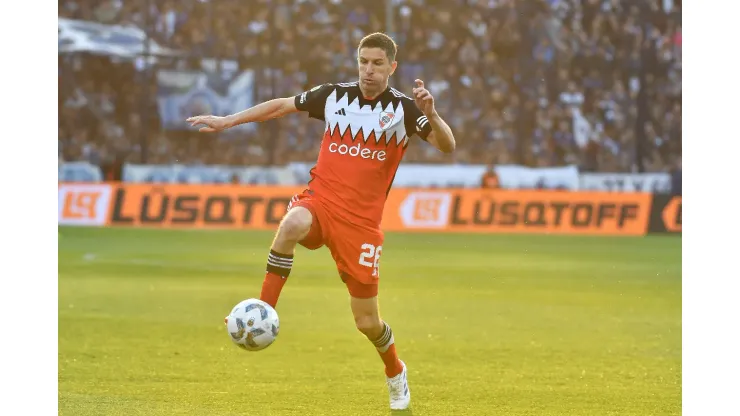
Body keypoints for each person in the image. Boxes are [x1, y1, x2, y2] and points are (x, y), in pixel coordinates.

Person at [186, 32, 456, 410]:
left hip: (361, 226)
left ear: (392, 67)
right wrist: (228, 121)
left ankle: (395, 371)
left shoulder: (406, 109)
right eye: (364, 61)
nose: (369, 70)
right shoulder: (334, 95)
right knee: (292, 223)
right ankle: (264, 311)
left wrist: (432, 114)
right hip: (322, 202)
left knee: (367, 324)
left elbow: (447, 146)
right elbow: (281, 105)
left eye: (378, 63)